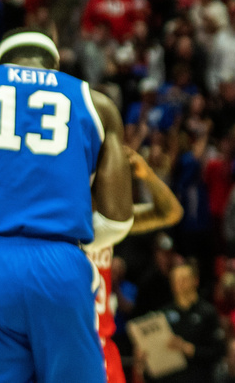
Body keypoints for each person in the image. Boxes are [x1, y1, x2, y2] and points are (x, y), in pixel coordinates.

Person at [0, 28, 134, 382]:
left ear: (1, 62)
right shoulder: (97, 104)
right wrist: (72, 245)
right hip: (61, 266)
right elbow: (119, 218)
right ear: (55, 65)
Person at [89, 149, 184, 383]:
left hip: (102, 343)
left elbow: (171, 213)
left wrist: (148, 175)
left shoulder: (110, 222)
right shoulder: (60, 221)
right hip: (72, 339)